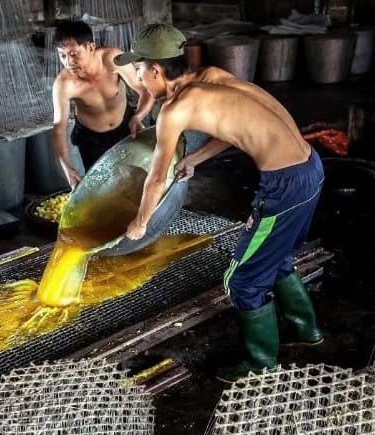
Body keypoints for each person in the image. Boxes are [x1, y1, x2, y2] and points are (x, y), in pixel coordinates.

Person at [114, 24, 325, 382]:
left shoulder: (174, 110)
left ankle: (262, 365)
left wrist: (140, 223)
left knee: (240, 280)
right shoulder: (213, 76)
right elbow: (235, 129)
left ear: (156, 70)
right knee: (277, 259)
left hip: (285, 186)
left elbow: (157, 177)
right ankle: (308, 332)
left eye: (137, 70)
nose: (136, 78)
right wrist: (196, 159)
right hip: (310, 168)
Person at [51, 20, 155, 189]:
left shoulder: (112, 59)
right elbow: (59, 129)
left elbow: (144, 90)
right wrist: (67, 168)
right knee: (103, 187)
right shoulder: (63, 85)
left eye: (74, 54)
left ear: (91, 47)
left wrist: (138, 117)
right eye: (63, 56)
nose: (68, 62)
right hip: (91, 139)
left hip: (125, 127)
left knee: (136, 179)